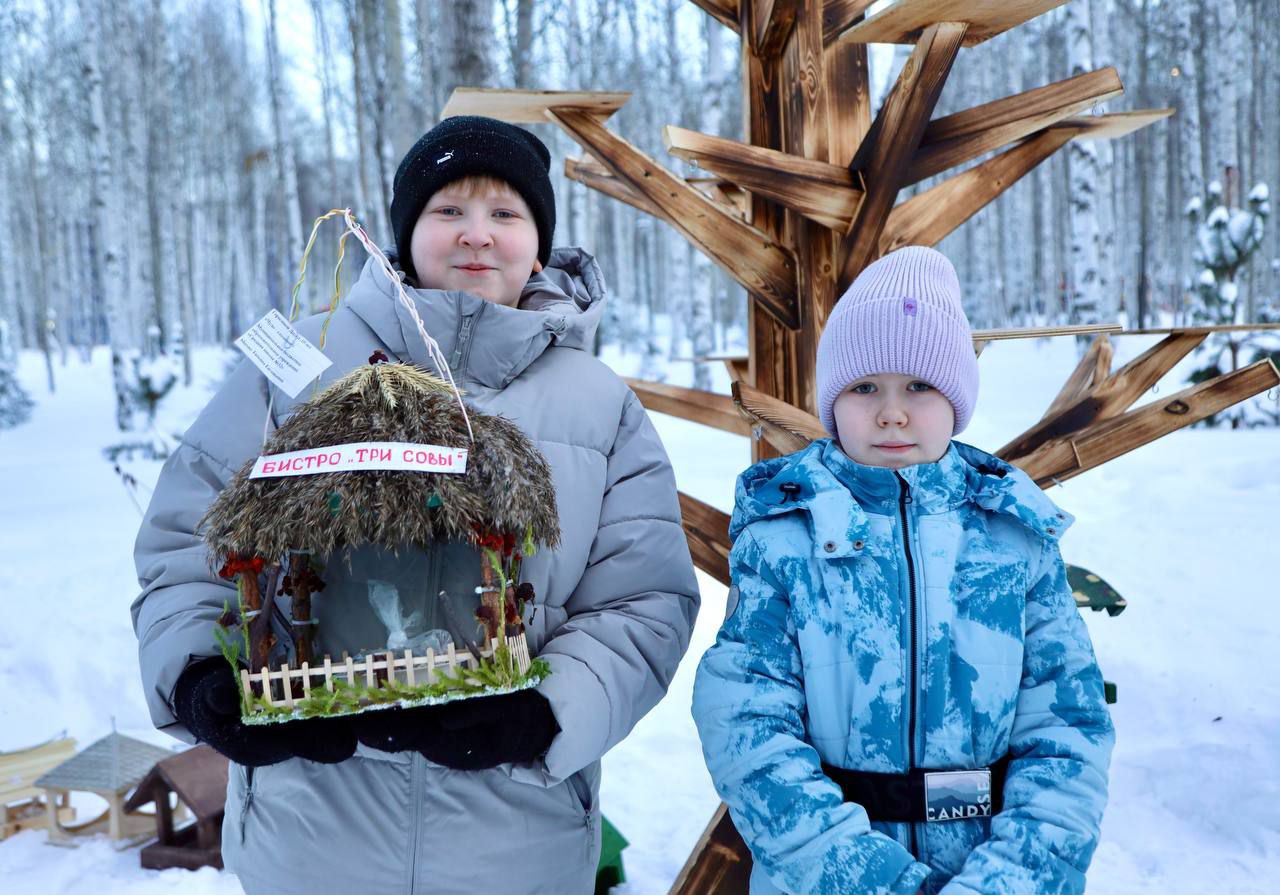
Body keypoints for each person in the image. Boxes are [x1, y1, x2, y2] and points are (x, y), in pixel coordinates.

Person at [132, 115, 700, 894]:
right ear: (403, 232)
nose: (476, 235)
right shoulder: (299, 368)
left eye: (505, 213)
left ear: (540, 242)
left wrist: (544, 714)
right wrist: (200, 673)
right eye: (447, 211)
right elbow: (186, 543)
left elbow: (643, 600)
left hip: (514, 842)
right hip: (312, 836)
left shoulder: (597, 404)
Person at [692, 246, 1113, 894]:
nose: (892, 411)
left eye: (918, 384)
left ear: (957, 396)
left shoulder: (1013, 539)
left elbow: (1066, 729)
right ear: (834, 400)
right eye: (865, 387)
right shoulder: (785, 538)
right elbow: (748, 726)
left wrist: (1006, 883)